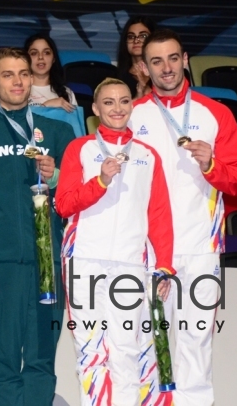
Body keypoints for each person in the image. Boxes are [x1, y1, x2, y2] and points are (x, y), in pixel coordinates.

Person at [129, 29, 237, 406]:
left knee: (197, 342)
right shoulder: (132, 115)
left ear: (185, 59)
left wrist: (212, 164)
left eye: (172, 58)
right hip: (148, 250)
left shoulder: (216, 114)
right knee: (148, 340)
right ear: (145, 69)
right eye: (156, 61)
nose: (166, 68)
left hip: (201, 245)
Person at [55, 78, 175, 405]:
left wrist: (164, 265)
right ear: (95, 109)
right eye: (108, 102)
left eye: (124, 101)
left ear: (132, 106)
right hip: (85, 261)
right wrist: (100, 181)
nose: (118, 108)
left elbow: (160, 214)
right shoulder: (80, 149)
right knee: (90, 350)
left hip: (130, 264)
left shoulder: (148, 156)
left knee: (126, 350)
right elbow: (63, 205)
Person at [0, 48, 75, 405]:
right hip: (0, 264)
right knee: (4, 361)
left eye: (24, 73)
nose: (18, 81)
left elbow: (78, 196)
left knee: (43, 359)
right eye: (9, 74)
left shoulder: (60, 132)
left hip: (48, 263)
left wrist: (57, 177)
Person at [24, 33, 77, 112]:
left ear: (53, 58)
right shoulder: (18, 90)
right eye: (34, 53)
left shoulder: (67, 93)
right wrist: (46, 106)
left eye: (46, 53)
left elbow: (73, 123)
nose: (40, 57)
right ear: (26, 59)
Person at [117, 16, 156, 99]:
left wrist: (145, 87)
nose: (136, 41)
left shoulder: (164, 73)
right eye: (131, 37)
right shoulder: (117, 78)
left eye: (143, 36)